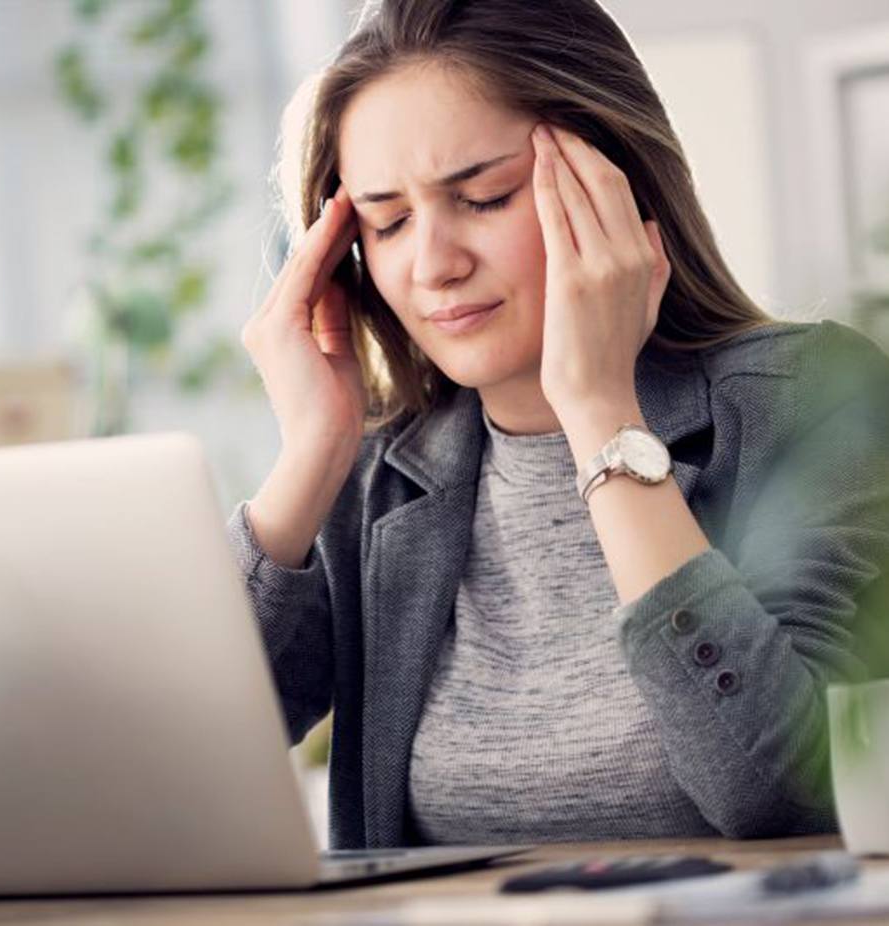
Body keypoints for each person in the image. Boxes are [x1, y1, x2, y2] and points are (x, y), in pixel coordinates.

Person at [229, 0, 889, 850]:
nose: (433, 264)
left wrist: (601, 412)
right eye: (387, 222)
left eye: (482, 197)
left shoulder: (809, 399)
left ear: (613, 185)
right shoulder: (378, 474)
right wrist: (311, 457)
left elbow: (781, 789)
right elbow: (165, 772)